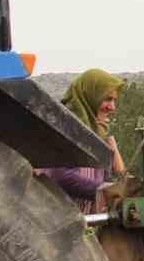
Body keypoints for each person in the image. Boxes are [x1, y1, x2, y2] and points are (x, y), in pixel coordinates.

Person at [37, 68, 126, 211]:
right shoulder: (66, 126)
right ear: (90, 95)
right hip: (59, 218)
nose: (112, 107)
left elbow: (109, 176)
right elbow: (61, 175)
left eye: (114, 100)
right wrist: (106, 190)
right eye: (108, 99)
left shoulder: (97, 131)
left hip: (87, 220)